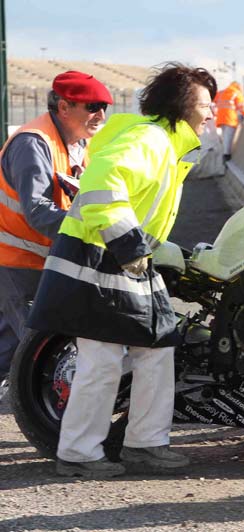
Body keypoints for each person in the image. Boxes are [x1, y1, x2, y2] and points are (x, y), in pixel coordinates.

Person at [27, 64, 217, 478]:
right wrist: (128, 243)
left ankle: (145, 444)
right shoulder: (149, 139)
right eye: (205, 105)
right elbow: (101, 185)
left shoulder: (167, 144)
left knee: (157, 348)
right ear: (180, 107)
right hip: (98, 259)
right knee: (102, 360)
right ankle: (78, 454)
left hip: (125, 259)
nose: (212, 113)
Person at [0, 71, 112, 402]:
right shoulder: (33, 143)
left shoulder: (79, 144)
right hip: (17, 261)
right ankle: (41, 414)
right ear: (64, 107)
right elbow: (38, 211)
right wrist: (91, 232)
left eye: (104, 107)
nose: (101, 115)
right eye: (92, 106)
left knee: (13, 344)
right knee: (40, 347)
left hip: (40, 259)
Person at [214, 81, 244, 161]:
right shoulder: (236, 93)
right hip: (230, 119)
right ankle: (226, 154)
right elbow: (242, 107)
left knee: (225, 136)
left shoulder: (221, 92)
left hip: (220, 118)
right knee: (229, 137)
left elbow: (214, 101)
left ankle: (224, 153)